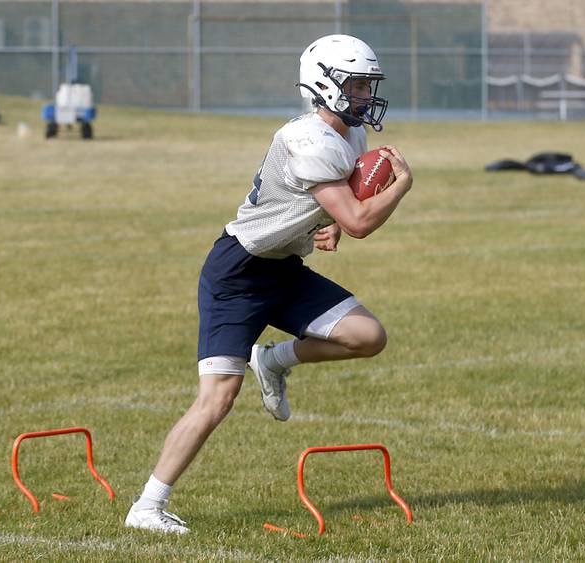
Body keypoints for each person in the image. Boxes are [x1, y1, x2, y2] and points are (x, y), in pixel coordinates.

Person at [125, 34, 413, 534]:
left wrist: (332, 224)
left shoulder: (349, 136)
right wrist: (400, 187)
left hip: (283, 269)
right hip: (238, 273)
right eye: (358, 85)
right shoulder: (309, 140)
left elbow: (342, 213)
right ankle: (147, 506)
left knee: (368, 336)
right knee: (217, 398)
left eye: (369, 85)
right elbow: (363, 219)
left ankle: (274, 359)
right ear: (325, 85)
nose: (367, 95)